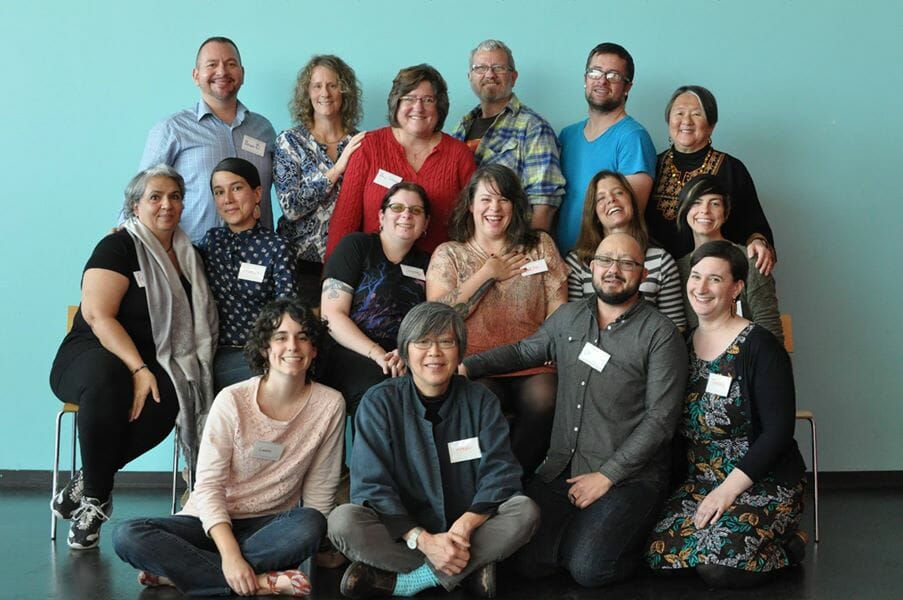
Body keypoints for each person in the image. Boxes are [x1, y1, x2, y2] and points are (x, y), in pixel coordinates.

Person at [462, 232, 688, 587]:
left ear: (643, 274)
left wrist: (607, 476)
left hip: (627, 476)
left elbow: (660, 423)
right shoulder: (568, 317)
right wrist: (465, 367)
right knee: (524, 562)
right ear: (591, 267)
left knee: (591, 569)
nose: (614, 269)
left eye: (627, 263)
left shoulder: (661, 335)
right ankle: (578, 539)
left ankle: (626, 531)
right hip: (562, 467)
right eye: (605, 261)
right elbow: (523, 352)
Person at [113, 298, 344, 597]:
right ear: (265, 348)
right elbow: (208, 487)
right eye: (281, 337)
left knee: (311, 523)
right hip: (207, 523)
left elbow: (320, 491)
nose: (293, 347)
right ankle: (258, 581)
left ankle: (184, 574)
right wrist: (231, 556)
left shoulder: (330, 404)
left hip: (268, 527)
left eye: (303, 338)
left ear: (314, 349)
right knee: (127, 535)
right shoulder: (232, 400)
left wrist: (315, 541)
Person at [49, 165, 217, 550]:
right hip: (93, 351)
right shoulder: (118, 246)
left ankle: (89, 480)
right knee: (110, 379)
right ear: (135, 205)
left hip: (157, 357)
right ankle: (96, 498)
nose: (166, 205)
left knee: (171, 395)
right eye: (155, 197)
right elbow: (96, 315)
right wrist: (139, 369)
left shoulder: (190, 256)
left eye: (175, 196)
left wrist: (150, 370)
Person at [328, 302, 540, 599]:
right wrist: (424, 540)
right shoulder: (379, 403)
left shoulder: (481, 400)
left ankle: (410, 579)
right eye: (422, 342)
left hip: (468, 531)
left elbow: (501, 473)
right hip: (404, 533)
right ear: (404, 351)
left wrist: (465, 527)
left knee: (524, 512)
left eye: (446, 342)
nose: (435, 352)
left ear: (460, 351)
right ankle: (468, 570)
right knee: (343, 523)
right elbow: (371, 486)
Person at [645, 241, 805, 589]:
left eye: (714, 280)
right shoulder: (680, 345)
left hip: (760, 480)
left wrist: (728, 491)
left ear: (737, 288)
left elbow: (778, 432)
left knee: (719, 567)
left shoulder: (760, 346)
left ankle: (789, 549)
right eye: (696, 276)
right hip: (700, 480)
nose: (701, 288)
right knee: (661, 558)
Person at [427, 164, 567, 477]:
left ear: (515, 206)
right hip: (473, 364)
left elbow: (559, 312)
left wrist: (543, 349)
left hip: (531, 360)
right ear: (471, 205)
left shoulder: (539, 246)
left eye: (504, 200)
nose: (495, 208)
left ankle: (508, 484)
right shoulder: (449, 254)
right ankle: (484, 488)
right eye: (486, 199)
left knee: (547, 399)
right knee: (484, 405)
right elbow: (436, 318)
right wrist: (486, 274)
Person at [325, 64, 476, 257]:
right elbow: (345, 222)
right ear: (396, 103)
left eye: (428, 100)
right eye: (409, 98)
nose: (418, 107)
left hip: (439, 278)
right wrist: (331, 280)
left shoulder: (459, 155)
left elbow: (472, 226)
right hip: (371, 275)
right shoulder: (368, 147)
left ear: (439, 106)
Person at [139, 36, 276, 242]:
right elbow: (142, 192)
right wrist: (123, 239)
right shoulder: (173, 129)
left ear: (242, 73)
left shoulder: (264, 129)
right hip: (193, 258)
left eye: (231, 64)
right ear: (196, 75)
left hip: (260, 258)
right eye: (212, 65)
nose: (222, 72)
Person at [319, 182, 431, 418]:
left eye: (416, 210)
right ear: (381, 216)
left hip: (404, 357)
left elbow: (432, 319)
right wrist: (377, 353)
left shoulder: (428, 263)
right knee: (381, 393)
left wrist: (406, 353)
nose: (406, 215)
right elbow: (331, 315)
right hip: (349, 351)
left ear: (426, 224)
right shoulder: (356, 246)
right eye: (397, 207)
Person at [645, 85, 776, 274]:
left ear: (711, 125)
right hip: (657, 275)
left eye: (696, 114)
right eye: (679, 113)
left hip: (715, 276)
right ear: (668, 120)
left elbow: (753, 225)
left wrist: (757, 241)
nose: (686, 121)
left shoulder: (732, 169)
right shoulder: (651, 166)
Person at [273, 55, 366, 306]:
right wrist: (336, 170)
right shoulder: (290, 141)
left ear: (345, 90)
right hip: (301, 266)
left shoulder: (361, 143)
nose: (324, 92)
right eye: (317, 85)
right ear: (308, 92)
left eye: (332, 85)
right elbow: (291, 208)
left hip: (349, 263)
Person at [198, 158, 296, 393]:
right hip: (214, 352)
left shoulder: (277, 247)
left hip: (261, 353)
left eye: (237, 188)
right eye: (219, 192)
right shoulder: (210, 242)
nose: (228, 199)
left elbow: (287, 308)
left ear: (257, 193)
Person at [451, 39, 565, 232]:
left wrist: (524, 252)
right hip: (464, 247)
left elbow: (544, 205)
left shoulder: (533, 127)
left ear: (513, 77)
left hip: (512, 251)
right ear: (470, 76)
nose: (489, 74)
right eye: (480, 68)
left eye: (499, 67)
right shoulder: (459, 129)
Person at [556, 42, 656, 254]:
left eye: (613, 76)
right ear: (585, 79)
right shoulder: (567, 136)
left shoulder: (633, 137)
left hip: (605, 263)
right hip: (564, 260)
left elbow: (627, 217)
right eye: (595, 72)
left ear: (627, 87)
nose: (602, 80)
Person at [565, 170, 686, 330]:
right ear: (594, 212)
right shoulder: (577, 261)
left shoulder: (661, 261)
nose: (612, 200)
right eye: (601, 198)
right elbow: (573, 326)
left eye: (619, 193)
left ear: (632, 202)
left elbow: (676, 328)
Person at [675, 174, 783, 342]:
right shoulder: (679, 268)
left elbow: (769, 328)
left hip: (749, 361)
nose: (705, 210)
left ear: (726, 213)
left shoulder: (751, 260)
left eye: (715, 203)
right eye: (696, 202)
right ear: (684, 209)